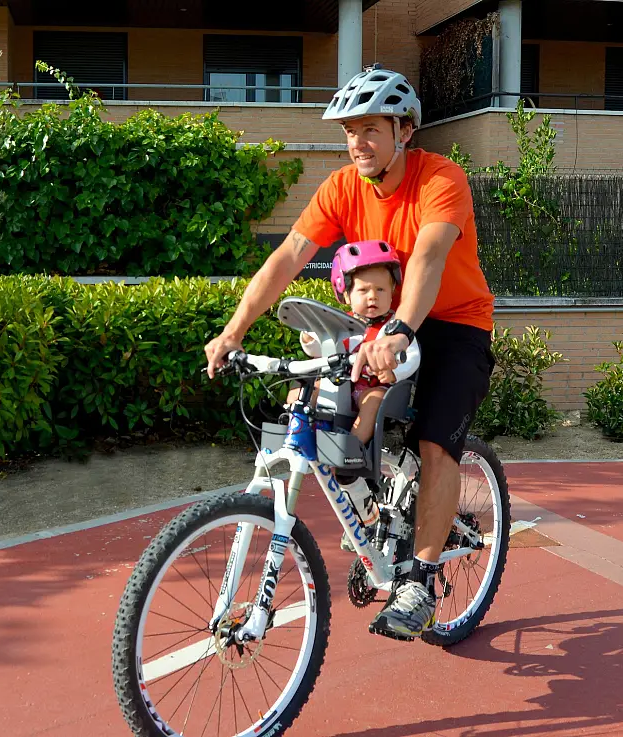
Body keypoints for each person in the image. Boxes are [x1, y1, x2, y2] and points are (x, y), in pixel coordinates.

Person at [205, 64, 495, 640]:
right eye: (349, 131)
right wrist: (234, 329)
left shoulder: (442, 178)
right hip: (383, 323)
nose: (357, 142)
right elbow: (287, 257)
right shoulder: (342, 187)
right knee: (320, 404)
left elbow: (428, 259)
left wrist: (402, 330)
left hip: (452, 324)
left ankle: (420, 577)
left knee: (437, 446)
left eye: (370, 129)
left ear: (403, 131)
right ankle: (373, 515)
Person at [288, 240, 419, 552]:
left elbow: (412, 356)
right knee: (306, 387)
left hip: (379, 389)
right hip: (344, 388)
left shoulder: (395, 327)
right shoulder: (342, 325)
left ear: (393, 293)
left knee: (372, 400)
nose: (372, 297)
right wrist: (311, 339)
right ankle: (297, 424)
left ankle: (353, 448)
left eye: (381, 290)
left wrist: (395, 372)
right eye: (363, 291)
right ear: (345, 294)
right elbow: (325, 350)